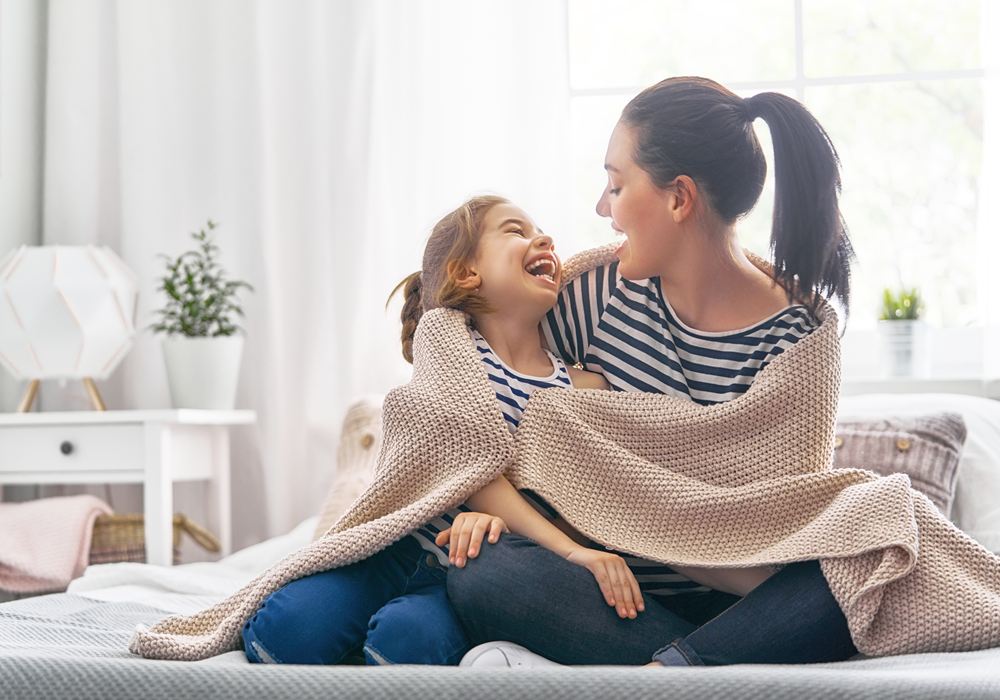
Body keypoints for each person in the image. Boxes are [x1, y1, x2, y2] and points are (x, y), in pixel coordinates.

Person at [447, 76, 859, 667]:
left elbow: (777, 537)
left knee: (859, 572)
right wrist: (501, 507)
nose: (601, 208)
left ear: (678, 198)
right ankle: (685, 670)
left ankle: (667, 671)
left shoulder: (798, 342)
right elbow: (481, 391)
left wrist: (627, 509)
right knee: (484, 573)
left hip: (743, 609)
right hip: (612, 599)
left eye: (616, 185)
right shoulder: (595, 297)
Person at [241, 195, 648, 666]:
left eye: (540, 231)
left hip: (463, 575)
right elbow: (465, 460)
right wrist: (571, 553)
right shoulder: (447, 343)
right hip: (395, 550)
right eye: (515, 230)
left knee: (405, 645)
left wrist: (521, 540)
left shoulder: (584, 385)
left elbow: (591, 494)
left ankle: (370, 643)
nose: (545, 239)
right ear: (466, 274)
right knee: (282, 634)